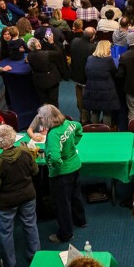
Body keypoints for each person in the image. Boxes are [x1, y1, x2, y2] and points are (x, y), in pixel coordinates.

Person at [0, 124, 40, 267]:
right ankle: (35, 256)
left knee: (6, 232)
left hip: (6, 203)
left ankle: (9, 264)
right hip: (28, 196)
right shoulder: (25, 151)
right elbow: (35, 171)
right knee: (30, 224)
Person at [39, 104, 87, 243]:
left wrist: (58, 166)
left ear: (48, 119)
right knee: (76, 196)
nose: (40, 120)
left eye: (42, 118)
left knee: (61, 204)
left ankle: (66, 234)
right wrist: (73, 145)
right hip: (75, 165)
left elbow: (54, 157)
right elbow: (79, 128)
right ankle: (81, 220)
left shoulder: (54, 134)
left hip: (62, 173)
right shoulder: (68, 123)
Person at [83, 40, 120, 127]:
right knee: (107, 112)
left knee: (95, 111)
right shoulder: (109, 60)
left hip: (92, 89)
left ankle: (95, 130)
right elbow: (115, 73)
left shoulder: (90, 58)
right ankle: (106, 133)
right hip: (106, 91)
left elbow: (86, 72)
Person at [27, 36, 69, 107]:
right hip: (51, 81)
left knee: (44, 103)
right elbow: (59, 53)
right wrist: (51, 42)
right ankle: (55, 117)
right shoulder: (47, 54)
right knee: (54, 102)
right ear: (39, 45)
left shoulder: (29, 56)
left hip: (38, 81)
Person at [70, 27, 96, 124]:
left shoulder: (74, 41)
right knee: (86, 99)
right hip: (86, 77)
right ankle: (85, 120)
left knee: (79, 97)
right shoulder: (92, 47)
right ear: (92, 37)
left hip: (75, 75)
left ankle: (82, 116)